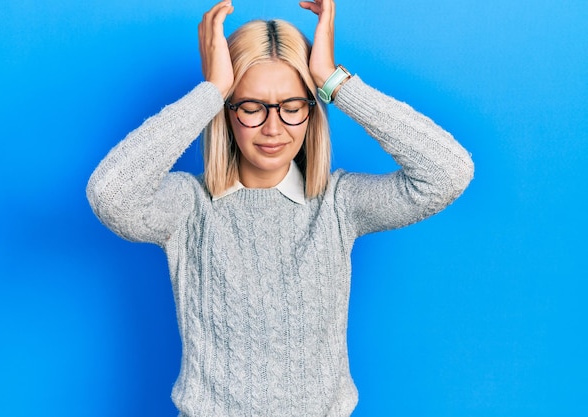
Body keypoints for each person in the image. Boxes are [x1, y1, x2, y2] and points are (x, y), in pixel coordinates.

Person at [86, 0, 474, 415]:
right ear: (227, 113)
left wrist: (333, 81)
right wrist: (211, 91)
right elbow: (111, 194)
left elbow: (447, 172)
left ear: (312, 111)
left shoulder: (338, 204)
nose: (273, 129)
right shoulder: (188, 207)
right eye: (251, 107)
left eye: (292, 108)